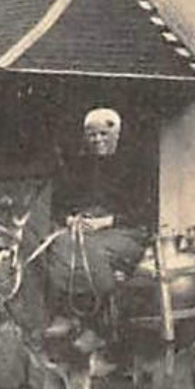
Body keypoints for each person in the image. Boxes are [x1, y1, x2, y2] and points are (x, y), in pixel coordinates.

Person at [44, 107, 150, 357]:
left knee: (91, 251)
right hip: (85, 230)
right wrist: (71, 219)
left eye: (104, 134)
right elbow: (60, 205)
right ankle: (65, 314)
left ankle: (97, 326)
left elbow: (144, 210)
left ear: (116, 134)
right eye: (92, 135)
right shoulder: (79, 167)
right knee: (58, 246)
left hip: (128, 232)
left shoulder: (136, 166)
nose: (98, 140)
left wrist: (107, 221)